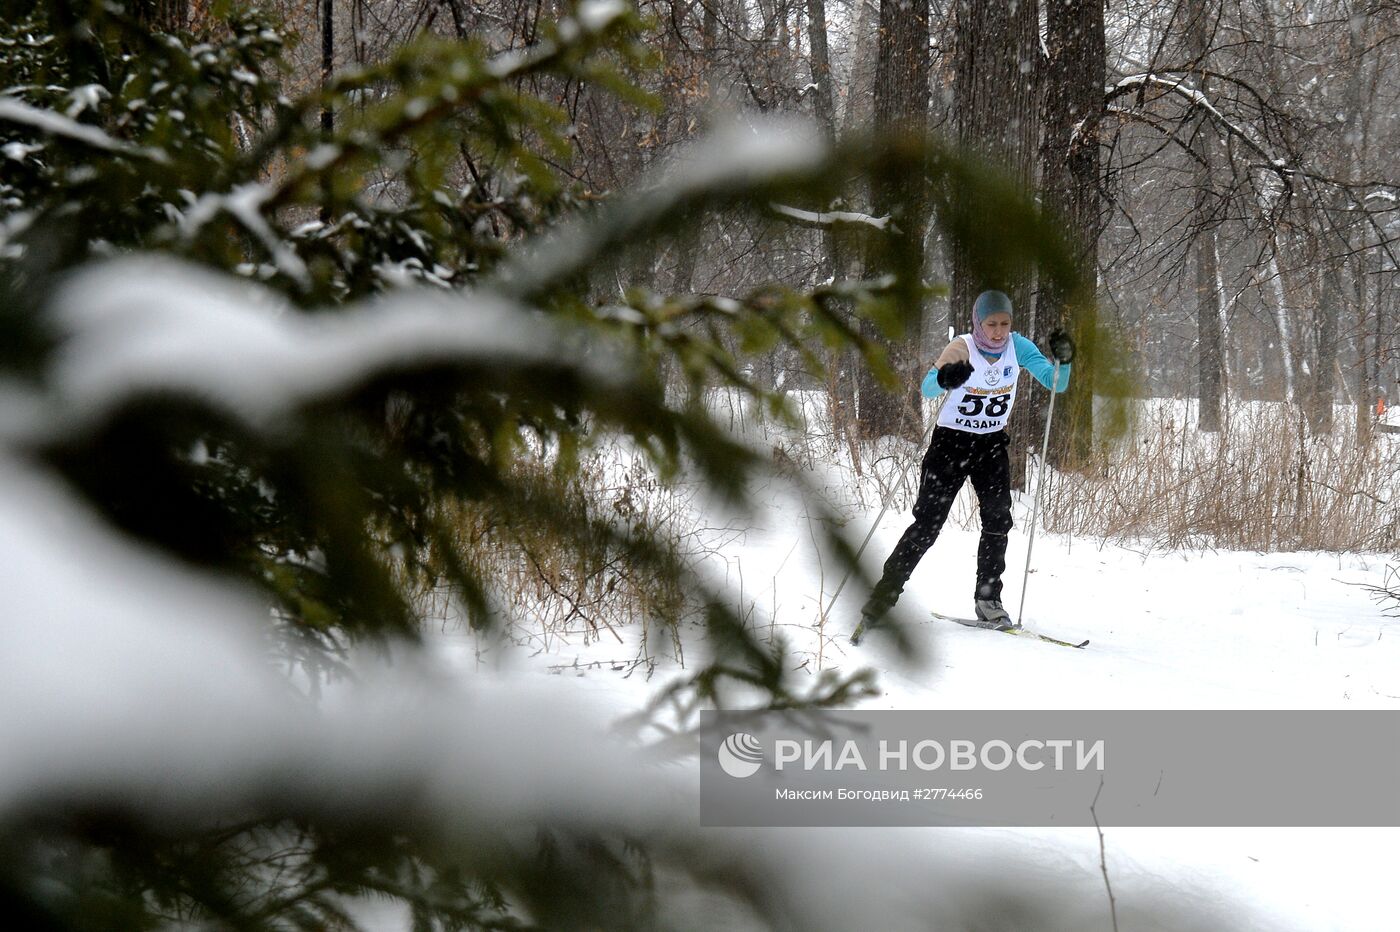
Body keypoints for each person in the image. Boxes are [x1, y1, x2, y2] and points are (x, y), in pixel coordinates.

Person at [858, 289, 1074, 633]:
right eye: (992, 324)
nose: (999, 332)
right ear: (978, 322)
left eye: (1005, 324)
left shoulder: (1019, 347)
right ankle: (884, 594)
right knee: (927, 525)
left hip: (990, 445)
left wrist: (1066, 360)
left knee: (998, 519)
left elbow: (1055, 383)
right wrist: (945, 377)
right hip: (950, 446)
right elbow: (929, 389)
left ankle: (988, 599)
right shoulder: (962, 346)